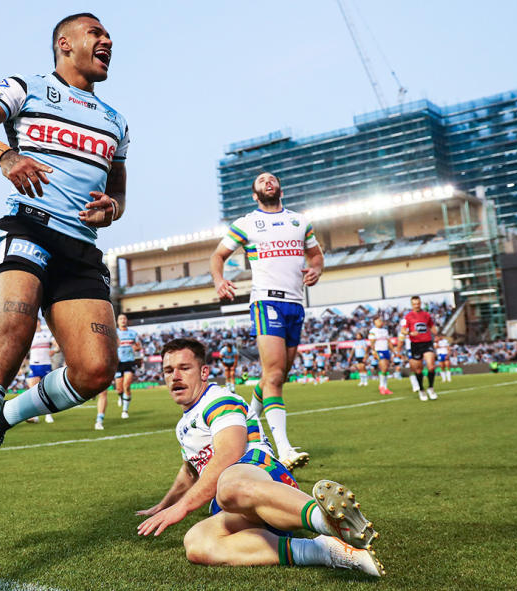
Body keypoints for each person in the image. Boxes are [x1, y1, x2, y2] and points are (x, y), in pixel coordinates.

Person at [0, 13, 129, 561]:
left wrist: (112, 208)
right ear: (65, 44)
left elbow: (118, 196)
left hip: (81, 249)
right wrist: (6, 155)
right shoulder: (25, 88)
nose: (107, 41)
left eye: (109, 38)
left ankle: (5, 418)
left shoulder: (116, 121)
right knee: (12, 336)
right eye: (97, 34)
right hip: (28, 228)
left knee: (95, 371)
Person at [136, 338, 384, 577]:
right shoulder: (184, 424)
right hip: (235, 507)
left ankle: (327, 521)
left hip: (264, 480)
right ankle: (326, 551)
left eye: (184, 368)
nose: (175, 376)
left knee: (228, 485)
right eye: (168, 370)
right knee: (197, 543)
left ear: (203, 372)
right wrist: (162, 506)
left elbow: (229, 454)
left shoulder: (218, 400)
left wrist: (181, 508)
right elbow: (190, 472)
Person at [210, 172, 324, 471]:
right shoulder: (246, 223)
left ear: (280, 187)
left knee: (278, 375)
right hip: (266, 301)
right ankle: (283, 448)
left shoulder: (300, 221)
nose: (267, 182)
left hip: (295, 305)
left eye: (272, 178)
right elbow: (218, 256)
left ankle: (249, 417)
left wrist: (316, 270)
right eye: (261, 181)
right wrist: (219, 280)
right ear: (254, 194)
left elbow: (316, 255)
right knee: (273, 375)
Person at [95, 314, 141, 429]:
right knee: (119, 388)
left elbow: (138, 346)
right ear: (117, 321)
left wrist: (137, 348)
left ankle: (125, 410)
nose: (123, 320)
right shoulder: (113, 333)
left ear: (127, 321)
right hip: (117, 363)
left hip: (129, 361)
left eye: (124, 319)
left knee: (127, 385)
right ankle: (121, 396)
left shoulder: (133, 333)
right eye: (121, 319)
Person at [398, 296, 438, 402]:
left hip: (427, 342)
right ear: (412, 305)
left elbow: (431, 326)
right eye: (414, 304)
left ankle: (431, 388)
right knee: (418, 369)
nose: (417, 305)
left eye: (418, 303)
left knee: (431, 366)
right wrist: (410, 333)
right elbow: (403, 330)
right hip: (415, 344)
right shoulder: (407, 317)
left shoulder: (426, 315)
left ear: (420, 303)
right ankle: (421, 389)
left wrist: (437, 334)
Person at [25, 319, 57, 423]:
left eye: (37, 321)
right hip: (34, 365)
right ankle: (35, 416)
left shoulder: (47, 334)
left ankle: (48, 415)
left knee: (46, 391)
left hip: (46, 365)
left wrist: (55, 350)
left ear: (39, 323)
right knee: (34, 392)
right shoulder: (29, 336)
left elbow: (57, 345)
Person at [367, 317, 393, 395]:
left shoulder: (385, 331)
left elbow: (389, 341)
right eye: (378, 321)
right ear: (374, 322)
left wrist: (394, 352)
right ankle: (381, 386)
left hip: (386, 350)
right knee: (383, 368)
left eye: (381, 320)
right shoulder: (373, 331)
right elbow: (371, 343)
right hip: (379, 350)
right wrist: (373, 351)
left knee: (386, 369)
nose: (380, 322)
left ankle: (385, 387)